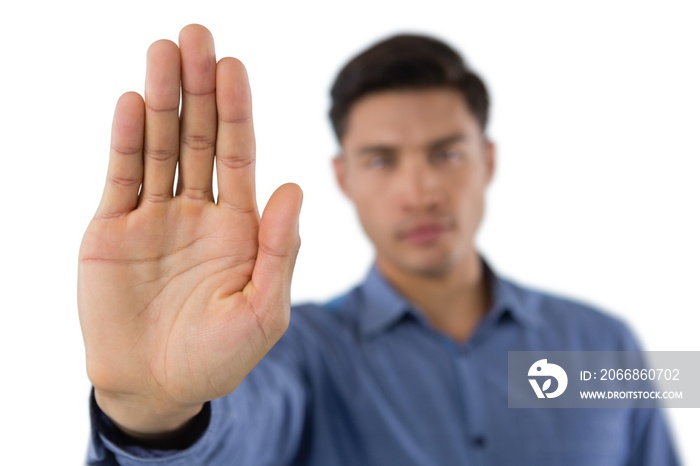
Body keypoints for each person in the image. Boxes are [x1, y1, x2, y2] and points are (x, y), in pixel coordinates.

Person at [79, 24, 679, 465]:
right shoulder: (295, 350)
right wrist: (152, 413)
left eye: (446, 153)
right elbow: (237, 433)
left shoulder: (604, 346)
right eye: (381, 160)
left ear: (487, 160)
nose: (420, 193)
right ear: (344, 177)